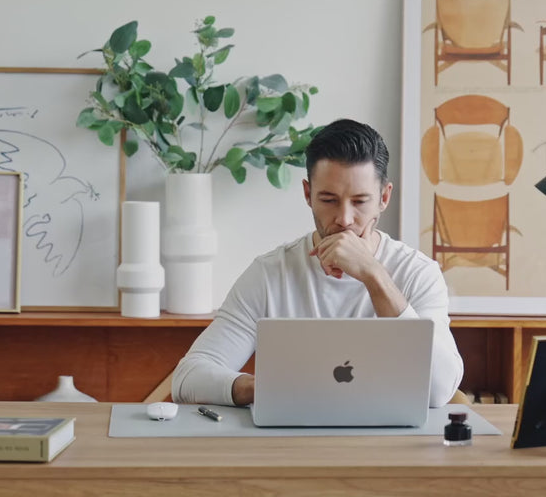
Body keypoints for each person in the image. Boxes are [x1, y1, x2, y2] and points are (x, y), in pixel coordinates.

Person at [171, 118, 463, 407]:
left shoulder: (418, 273)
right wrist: (268, 387)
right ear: (308, 194)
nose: (344, 219)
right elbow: (187, 379)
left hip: (388, 436)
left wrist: (374, 275)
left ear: (384, 197)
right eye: (329, 200)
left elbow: (439, 390)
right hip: (293, 435)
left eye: (360, 201)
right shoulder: (271, 273)